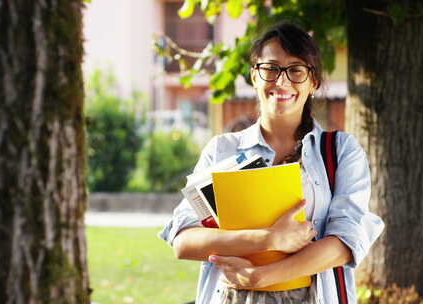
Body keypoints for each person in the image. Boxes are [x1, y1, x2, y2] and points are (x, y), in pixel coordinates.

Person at [159, 22, 384, 304]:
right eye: (271, 68)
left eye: (296, 70)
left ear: (313, 82)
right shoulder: (222, 150)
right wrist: (269, 239)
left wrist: (261, 277)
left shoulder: (339, 152)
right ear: (254, 75)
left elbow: (345, 243)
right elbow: (183, 241)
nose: (282, 81)